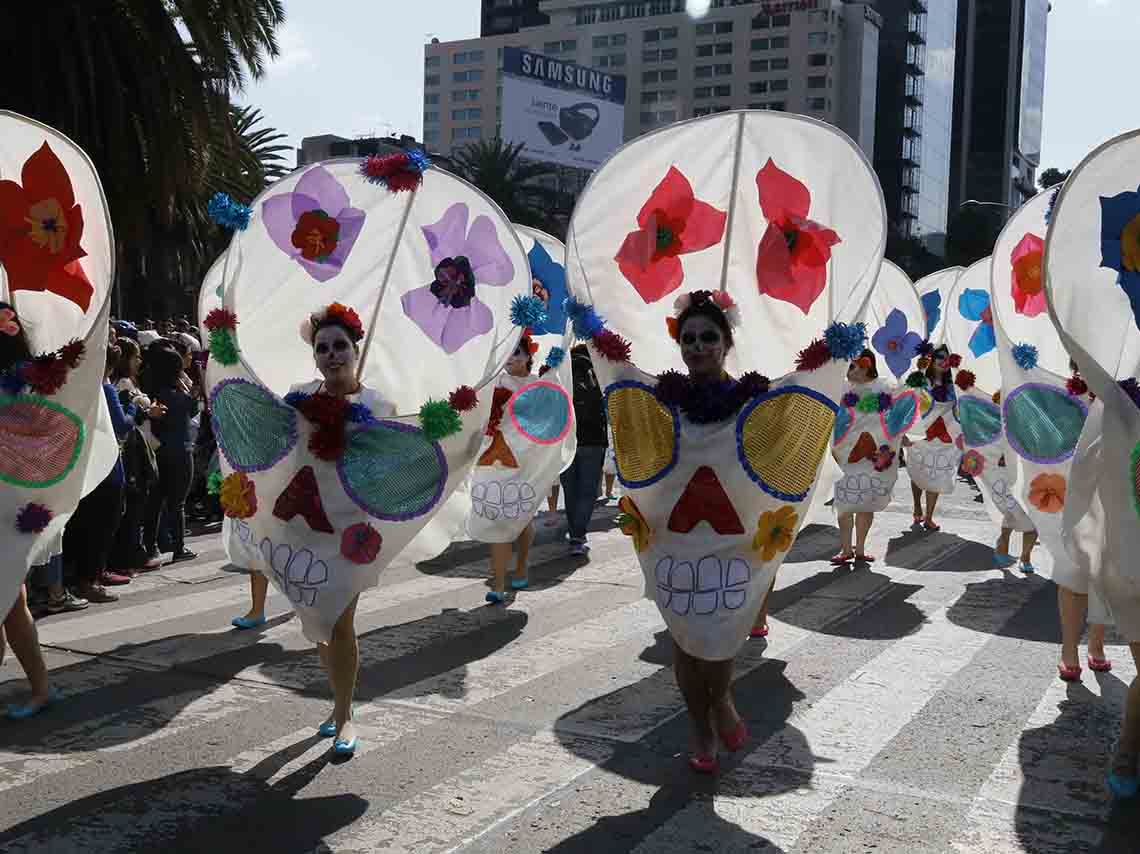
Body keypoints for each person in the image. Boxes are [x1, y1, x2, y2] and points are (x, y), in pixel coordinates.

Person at [286, 304, 396, 755]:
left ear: (356, 350)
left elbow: (390, 466)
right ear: (313, 356)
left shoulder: (377, 405)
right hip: (307, 526)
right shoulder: (297, 399)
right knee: (319, 621)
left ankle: (345, 713)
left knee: (341, 620)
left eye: (339, 347)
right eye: (323, 348)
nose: (332, 355)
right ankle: (337, 703)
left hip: (353, 529)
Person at [470, 333, 543, 604]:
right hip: (497, 461)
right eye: (508, 353)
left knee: (522, 519)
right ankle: (499, 585)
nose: (511, 359)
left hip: (528, 462)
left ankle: (521, 566)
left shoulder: (538, 385)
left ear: (528, 356)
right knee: (499, 519)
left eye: (518, 353)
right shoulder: (495, 382)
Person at [142, 346, 198, 564]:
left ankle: (151, 546)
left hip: (158, 452)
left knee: (156, 501)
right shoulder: (177, 396)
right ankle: (178, 547)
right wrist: (190, 388)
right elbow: (193, 409)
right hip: (180, 451)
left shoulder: (153, 392)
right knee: (177, 503)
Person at [559, 345, 607, 556]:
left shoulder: (561, 373)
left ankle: (574, 530)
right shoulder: (599, 373)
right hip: (594, 439)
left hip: (566, 440)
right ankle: (578, 534)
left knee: (571, 489)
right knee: (588, 490)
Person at [906, 344, 960, 531]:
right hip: (921, 435)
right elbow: (909, 396)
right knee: (918, 471)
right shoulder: (921, 380)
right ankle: (916, 506)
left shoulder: (953, 385)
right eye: (939, 356)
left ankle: (929, 516)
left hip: (944, 438)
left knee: (937, 474)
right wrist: (920, 369)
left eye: (947, 358)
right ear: (931, 358)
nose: (943, 361)